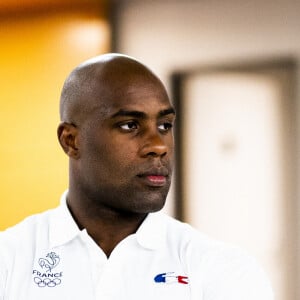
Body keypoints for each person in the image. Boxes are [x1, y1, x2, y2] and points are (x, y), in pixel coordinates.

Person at [0, 53, 273, 299]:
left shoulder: (221, 268)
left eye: (165, 125)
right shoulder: (9, 260)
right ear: (71, 141)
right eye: (130, 125)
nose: (158, 146)